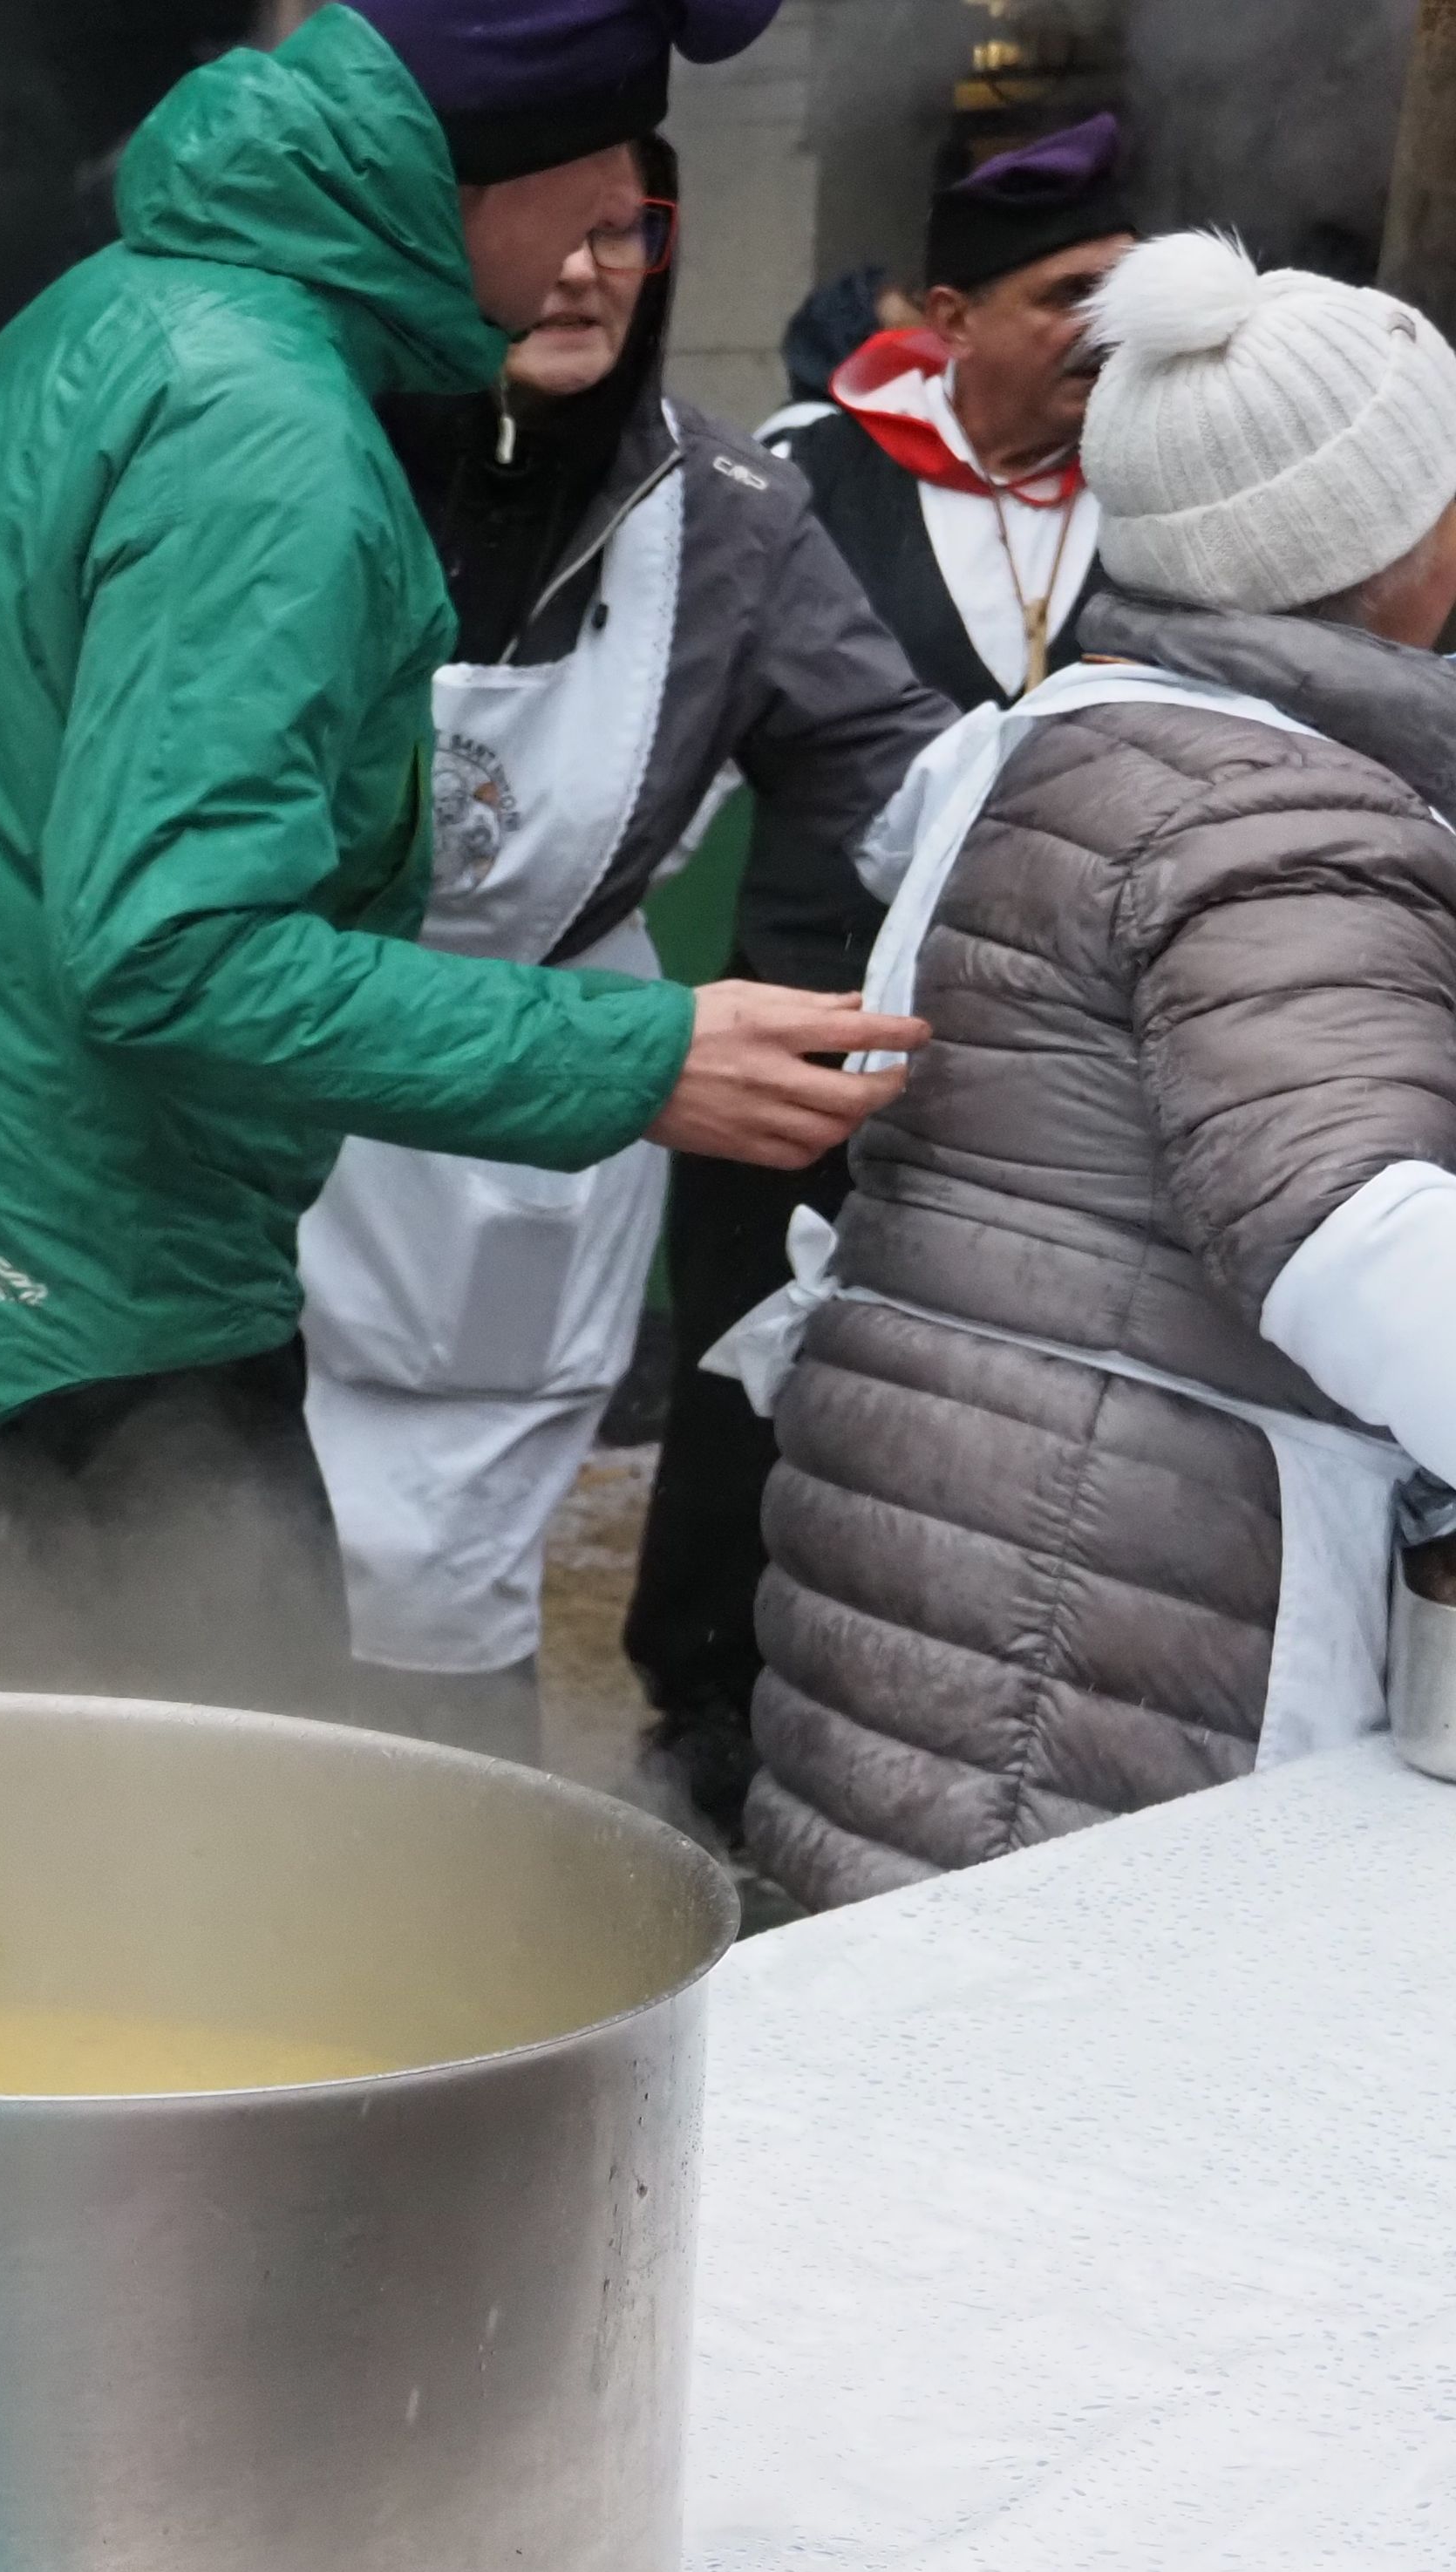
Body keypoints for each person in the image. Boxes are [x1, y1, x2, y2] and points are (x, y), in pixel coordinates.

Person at [0, 0, 919, 1718]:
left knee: (75, 1779)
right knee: (235, 1856)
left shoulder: (118, 316)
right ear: (479, 182)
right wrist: (647, 1057)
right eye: (601, 202)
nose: (615, 247)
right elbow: (176, 949)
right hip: (97, 1274)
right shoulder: (270, 430)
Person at [730, 236, 1456, 1902]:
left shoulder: (1064, 736)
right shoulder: (1265, 822)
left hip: (943, 1552)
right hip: (1113, 1611)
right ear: (1389, 546)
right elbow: (1347, 1235)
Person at [291, 135, 947, 1757]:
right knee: (226, 1577)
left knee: (449, 1612)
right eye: (543, 224)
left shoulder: (722, 520)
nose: (584, 267)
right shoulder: (291, 459)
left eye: (629, 228)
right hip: (275, 1074)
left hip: (542, 1121)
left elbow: (900, 785)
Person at [621, 114, 1137, 1827]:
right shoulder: (806, 472)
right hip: (810, 1032)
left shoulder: (1163, 492)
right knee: (744, 1383)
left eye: (1130, 296)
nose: (1106, 335)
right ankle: (704, 1702)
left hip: (1050, 1060)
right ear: (952, 310)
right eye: (1067, 296)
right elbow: (671, 744)